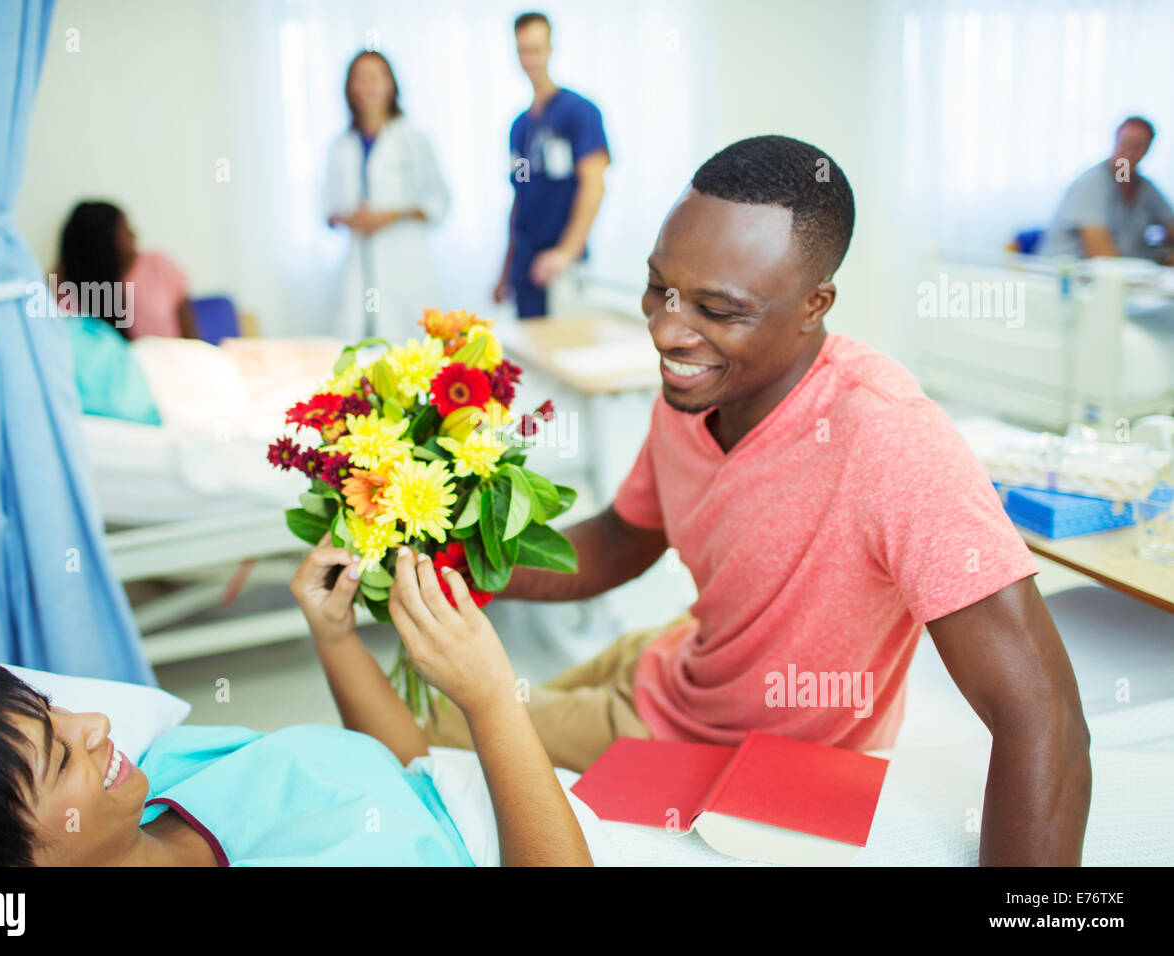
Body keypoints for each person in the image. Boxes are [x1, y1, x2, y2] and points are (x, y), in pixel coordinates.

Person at [430, 135, 1092, 866]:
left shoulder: (889, 439)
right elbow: (622, 540)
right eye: (661, 287)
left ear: (815, 305)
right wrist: (448, 557)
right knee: (464, 707)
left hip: (706, 749)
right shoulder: (694, 386)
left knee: (419, 735)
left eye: (718, 309)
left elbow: (1043, 718)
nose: (666, 330)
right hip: (669, 661)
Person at [0, 547, 592, 866]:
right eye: (60, 756)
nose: (92, 725)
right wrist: (493, 700)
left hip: (526, 797)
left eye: (53, 708)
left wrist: (334, 636)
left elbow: (409, 782)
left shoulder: (161, 785)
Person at [324, 50, 449, 342]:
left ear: (391, 84)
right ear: (349, 87)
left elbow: (439, 203)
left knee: (410, 355)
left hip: (405, 262)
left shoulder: (412, 139)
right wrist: (350, 218)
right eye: (360, 77)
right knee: (357, 355)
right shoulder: (340, 146)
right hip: (358, 267)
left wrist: (390, 215)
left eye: (377, 76)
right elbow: (327, 208)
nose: (369, 85)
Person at [493, 12, 610, 318]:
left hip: (560, 268)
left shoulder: (579, 113)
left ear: (550, 49)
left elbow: (594, 183)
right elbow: (520, 198)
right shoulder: (519, 128)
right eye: (522, 50)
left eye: (535, 49)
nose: (529, 59)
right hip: (526, 265)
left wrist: (566, 252)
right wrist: (505, 271)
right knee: (525, 358)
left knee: (562, 356)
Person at [55, 200, 198, 339]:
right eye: (124, 229)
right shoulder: (66, 286)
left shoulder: (158, 266)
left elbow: (192, 341)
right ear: (102, 243)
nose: (133, 234)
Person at [1040, 116, 1174, 263]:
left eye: (1137, 146)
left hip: (1122, 273)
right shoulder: (1092, 183)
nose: (1129, 153)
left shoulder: (1145, 188)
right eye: (1126, 144)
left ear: (1147, 149)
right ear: (1116, 142)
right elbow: (1104, 257)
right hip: (1071, 274)